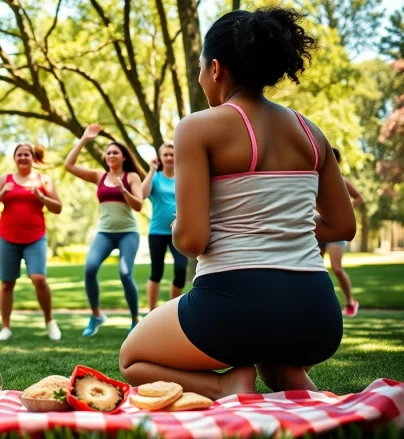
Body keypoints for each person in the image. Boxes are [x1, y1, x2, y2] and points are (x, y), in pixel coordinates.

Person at [119, 7, 356, 399]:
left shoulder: (197, 127)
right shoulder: (312, 133)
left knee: (132, 358)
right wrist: (282, 223)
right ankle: (292, 378)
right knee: (272, 359)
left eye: (200, 68)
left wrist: (179, 224)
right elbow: (343, 227)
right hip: (317, 317)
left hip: (236, 308)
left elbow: (192, 240)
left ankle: (226, 384)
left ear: (215, 69)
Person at [64, 124, 143, 336]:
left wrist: (123, 190)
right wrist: (84, 139)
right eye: (108, 153)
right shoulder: (99, 176)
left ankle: (135, 319)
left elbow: (138, 205)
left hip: (128, 232)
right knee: (90, 269)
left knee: (125, 274)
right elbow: (69, 165)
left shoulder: (131, 177)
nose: (111, 155)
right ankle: (96, 315)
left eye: (115, 152)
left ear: (123, 157)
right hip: (105, 233)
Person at [0, 143, 63, 341]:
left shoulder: (43, 180)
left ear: (33, 158)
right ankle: (5, 327)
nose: (22, 158)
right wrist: (3, 192)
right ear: (14, 158)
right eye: (19, 155)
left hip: (35, 238)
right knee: (6, 283)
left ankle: (50, 321)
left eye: (26, 154)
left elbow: (57, 208)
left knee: (39, 279)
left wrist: (40, 195)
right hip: (7, 238)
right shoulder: (5, 179)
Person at [142, 142, 188, 310]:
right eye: (165, 154)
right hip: (157, 232)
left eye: (172, 154)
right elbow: (142, 194)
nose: (169, 157)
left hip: (179, 230)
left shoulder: (183, 178)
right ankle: (151, 313)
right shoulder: (155, 178)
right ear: (160, 157)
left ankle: (172, 310)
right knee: (156, 273)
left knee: (181, 270)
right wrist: (151, 170)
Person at [319, 148, 363, 317]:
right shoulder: (315, 179)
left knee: (337, 269)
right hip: (318, 228)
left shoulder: (342, 181)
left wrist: (344, 210)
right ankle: (319, 304)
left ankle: (350, 301)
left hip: (335, 229)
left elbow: (359, 197)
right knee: (316, 268)